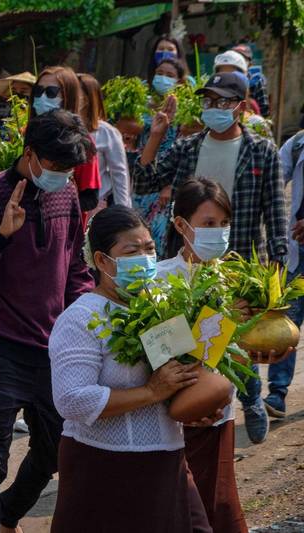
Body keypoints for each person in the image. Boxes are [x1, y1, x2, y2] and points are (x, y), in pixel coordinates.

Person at [0, 109, 94, 532]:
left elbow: (75, 270)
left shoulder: (66, 195)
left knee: (55, 450)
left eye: (71, 168)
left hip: (54, 348)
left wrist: (88, 313)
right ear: (30, 153)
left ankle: (6, 514)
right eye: (56, 165)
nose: (63, 175)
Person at [132, 72, 288, 443]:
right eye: (208, 102)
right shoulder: (187, 147)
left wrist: (278, 260)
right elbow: (143, 181)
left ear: (239, 105)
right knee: (192, 333)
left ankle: (247, 397)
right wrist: (155, 134)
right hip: (188, 254)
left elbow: (275, 208)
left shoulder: (260, 150)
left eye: (222, 102)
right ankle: (193, 399)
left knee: (237, 331)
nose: (213, 109)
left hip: (240, 258)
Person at [49, 205, 212, 533]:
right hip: (104, 466)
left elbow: (182, 372)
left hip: (166, 458)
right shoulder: (82, 318)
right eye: (132, 251)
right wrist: (151, 392)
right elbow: (72, 400)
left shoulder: (165, 306)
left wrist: (196, 402)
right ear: (101, 260)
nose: (145, 257)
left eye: (150, 249)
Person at [158, 178, 248, 533]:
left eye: (224, 224)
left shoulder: (236, 281)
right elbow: (165, 353)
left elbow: (241, 360)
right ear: (181, 225)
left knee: (218, 505)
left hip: (219, 416)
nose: (219, 233)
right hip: (175, 420)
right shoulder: (160, 282)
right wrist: (223, 322)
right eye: (209, 224)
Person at [260, 131, 304, 419]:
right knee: (287, 321)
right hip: (297, 251)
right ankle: (278, 391)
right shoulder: (298, 143)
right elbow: (274, 180)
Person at [130, 58, 186, 258]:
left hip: (166, 190)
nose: (163, 78)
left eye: (170, 75)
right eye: (160, 73)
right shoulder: (143, 106)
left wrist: (171, 186)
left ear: (180, 82)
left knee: (160, 243)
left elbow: (185, 157)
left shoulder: (186, 115)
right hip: (144, 180)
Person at [29, 66, 100, 217]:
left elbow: (90, 197)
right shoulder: (26, 133)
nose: (42, 97)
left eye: (51, 92)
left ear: (68, 96)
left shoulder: (81, 141)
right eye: (38, 91)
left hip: (64, 225)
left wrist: (57, 206)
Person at [78, 73, 130, 209]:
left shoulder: (107, 132)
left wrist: (124, 212)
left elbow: (119, 175)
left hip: (95, 206)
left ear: (88, 98)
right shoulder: (61, 126)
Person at [232, 44, 270, 118]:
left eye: (242, 59)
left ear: (250, 64)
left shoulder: (256, 81)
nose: (238, 62)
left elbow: (264, 111)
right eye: (234, 58)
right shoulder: (225, 81)